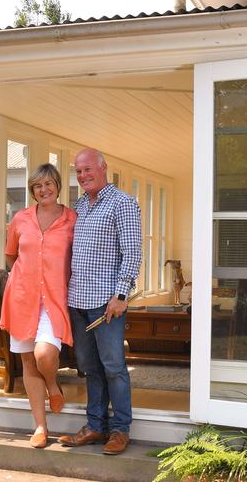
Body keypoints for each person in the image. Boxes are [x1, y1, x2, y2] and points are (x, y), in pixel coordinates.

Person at [59, 148, 142, 455]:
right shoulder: (79, 206)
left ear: (103, 168)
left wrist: (121, 295)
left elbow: (133, 253)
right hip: (78, 300)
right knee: (90, 368)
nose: (82, 176)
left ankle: (120, 430)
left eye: (87, 169)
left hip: (107, 304)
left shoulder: (122, 203)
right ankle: (95, 426)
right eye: (78, 171)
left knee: (114, 368)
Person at [0, 163, 76, 449]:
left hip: (55, 300)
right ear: (33, 190)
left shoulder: (72, 219)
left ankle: (53, 385)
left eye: (48, 184)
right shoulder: (20, 219)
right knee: (28, 361)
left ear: (57, 185)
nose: (44, 190)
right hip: (22, 298)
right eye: (38, 186)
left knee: (45, 355)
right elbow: (11, 256)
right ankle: (40, 427)